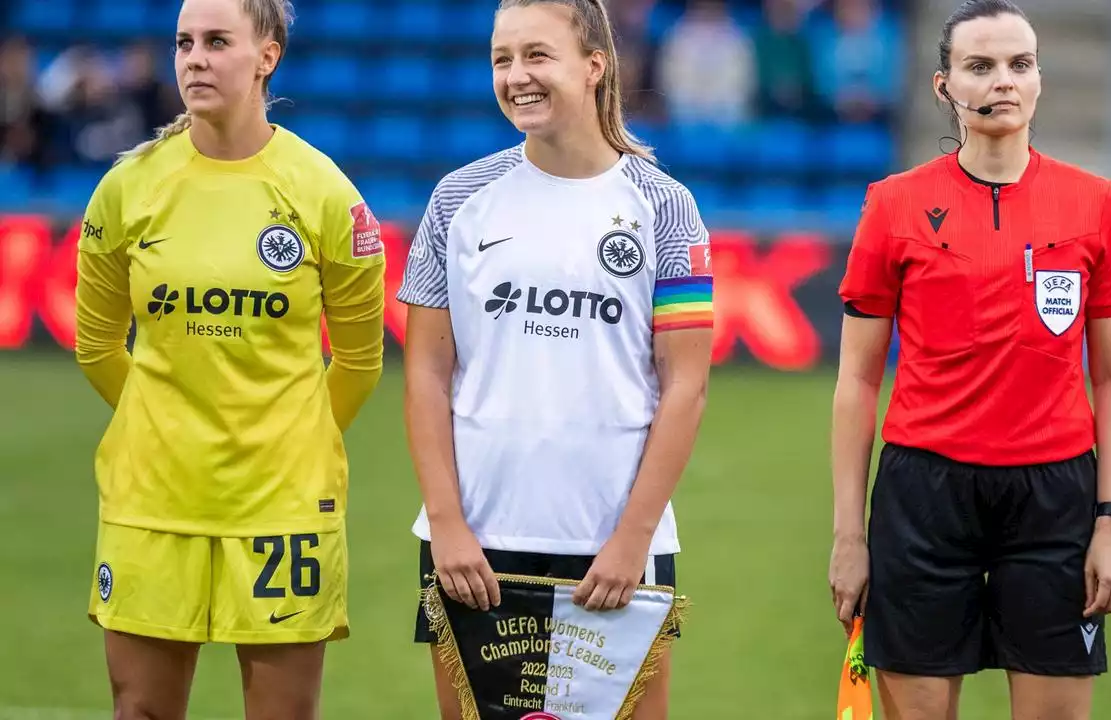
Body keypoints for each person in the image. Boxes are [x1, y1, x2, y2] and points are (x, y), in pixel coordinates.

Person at [828, 2, 1111, 719]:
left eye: (1019, 64)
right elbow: (856, 379)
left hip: (1056, 500)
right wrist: (850, 537)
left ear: (1039, 80)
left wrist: (1110, 522)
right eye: (980, 66)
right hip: (922, 497)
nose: (1002, 81)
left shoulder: (1096, 205)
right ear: (944, 86)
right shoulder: (893, 205)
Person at [397, 1, 713, 718]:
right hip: (475, 550)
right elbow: (424, 372)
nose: (516, 76)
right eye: (502, 59)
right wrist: (446, 523)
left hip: (616, 554)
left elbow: (685, 386)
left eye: (537, 55)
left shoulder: (666, 208)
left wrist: (634, 538)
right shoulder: (459, 200)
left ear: (594, 66)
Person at [73, 0, 386, 717]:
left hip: (283, 509)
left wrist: (291, 440)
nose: (194, 59)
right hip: (151, 498)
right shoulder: (128, 187)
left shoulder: (325, 193)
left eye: (217, 41)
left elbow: (361, 360)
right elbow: (95, 344)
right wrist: (164, 425)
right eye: (184, 42)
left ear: (266, 56)